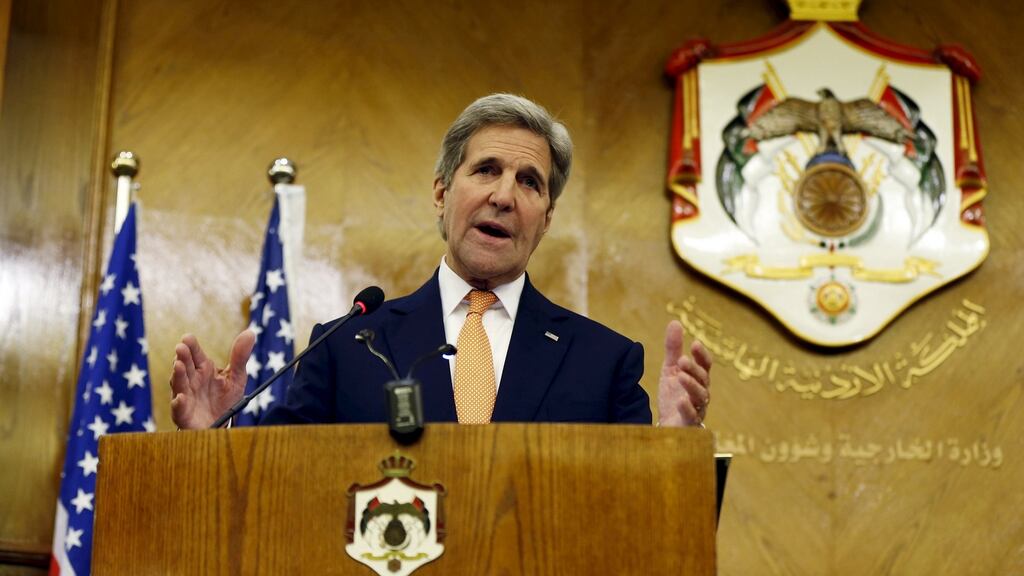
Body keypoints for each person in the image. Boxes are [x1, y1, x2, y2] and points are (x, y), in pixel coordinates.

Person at [170, 94, 712, 429]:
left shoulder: (603, 361)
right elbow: (278, 485)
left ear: (546, 218)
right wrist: (214, 436)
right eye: (486, 170)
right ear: (441, 194)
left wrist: (674, 449)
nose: (504, 195)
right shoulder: (346, 346)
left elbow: (642, 514)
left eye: (529, 182)